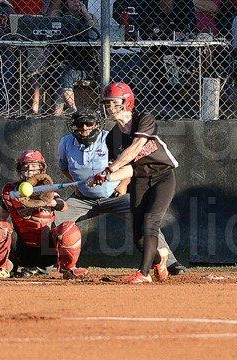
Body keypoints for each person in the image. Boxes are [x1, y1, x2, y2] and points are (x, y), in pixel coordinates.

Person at [55, 108, 186, 275]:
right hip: (84, 199)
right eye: (80, 124)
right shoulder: (66, 143)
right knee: (53, 220)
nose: (84, 128)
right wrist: (77, 188)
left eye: (89, 123)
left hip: (115, 195)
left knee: (147, 223)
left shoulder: (110, 138)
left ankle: (170, 263)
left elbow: (129, 163)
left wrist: (123, 184)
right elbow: (64, 168)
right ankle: (49, 265)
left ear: (97, 125)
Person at [90, 82, 179, 284]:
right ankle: (160, 258)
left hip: (162, 176)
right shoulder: (111, 137)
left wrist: (109, 170)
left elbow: (135, 149)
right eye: (107, 103)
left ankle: (144, 273)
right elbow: (130, 168)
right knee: (139, 237)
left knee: (151, 223)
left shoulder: (144, 119)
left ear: (127, 102)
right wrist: (104, 177)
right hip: (139, 179)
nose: (110, 107)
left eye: (115, 103)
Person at [0, 150, 87, 279]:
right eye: (25, 168)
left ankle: (68, 269)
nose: (30, 172)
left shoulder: (48, 190)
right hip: (21, 250)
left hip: (47, 251)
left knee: (69, 229)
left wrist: (51, 202)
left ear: (42, 170)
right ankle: (2, 268)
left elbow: (64, 207)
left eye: (34, 168)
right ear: (19, 171)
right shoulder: (10, 192)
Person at [47, 0, 98, 116]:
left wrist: (85, 13)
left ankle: (72, 109)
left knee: (67, 74)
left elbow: (94, 30)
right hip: (61, 60)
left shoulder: (89, 17)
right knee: (59, 72)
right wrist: (57, 7)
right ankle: (57, 112)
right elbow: (48, 23)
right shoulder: (59, 14)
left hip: (83, 63)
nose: (76, 1)